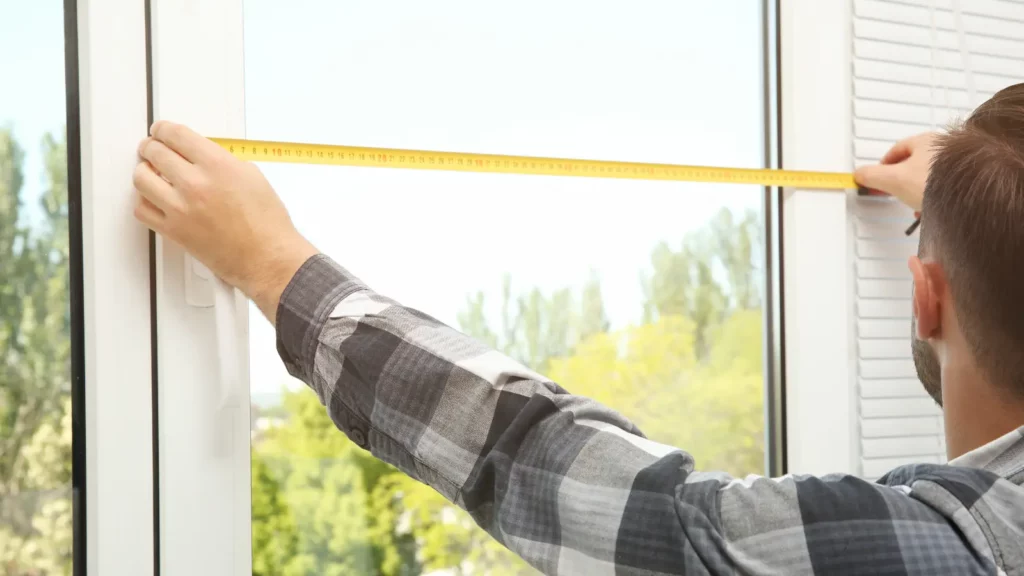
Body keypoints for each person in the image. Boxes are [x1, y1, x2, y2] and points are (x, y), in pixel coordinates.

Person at [132, 83, 1024, 575]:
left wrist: (274, 265)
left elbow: (544, 461)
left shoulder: (934, 555)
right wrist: (978, 198)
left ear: (924, 296)